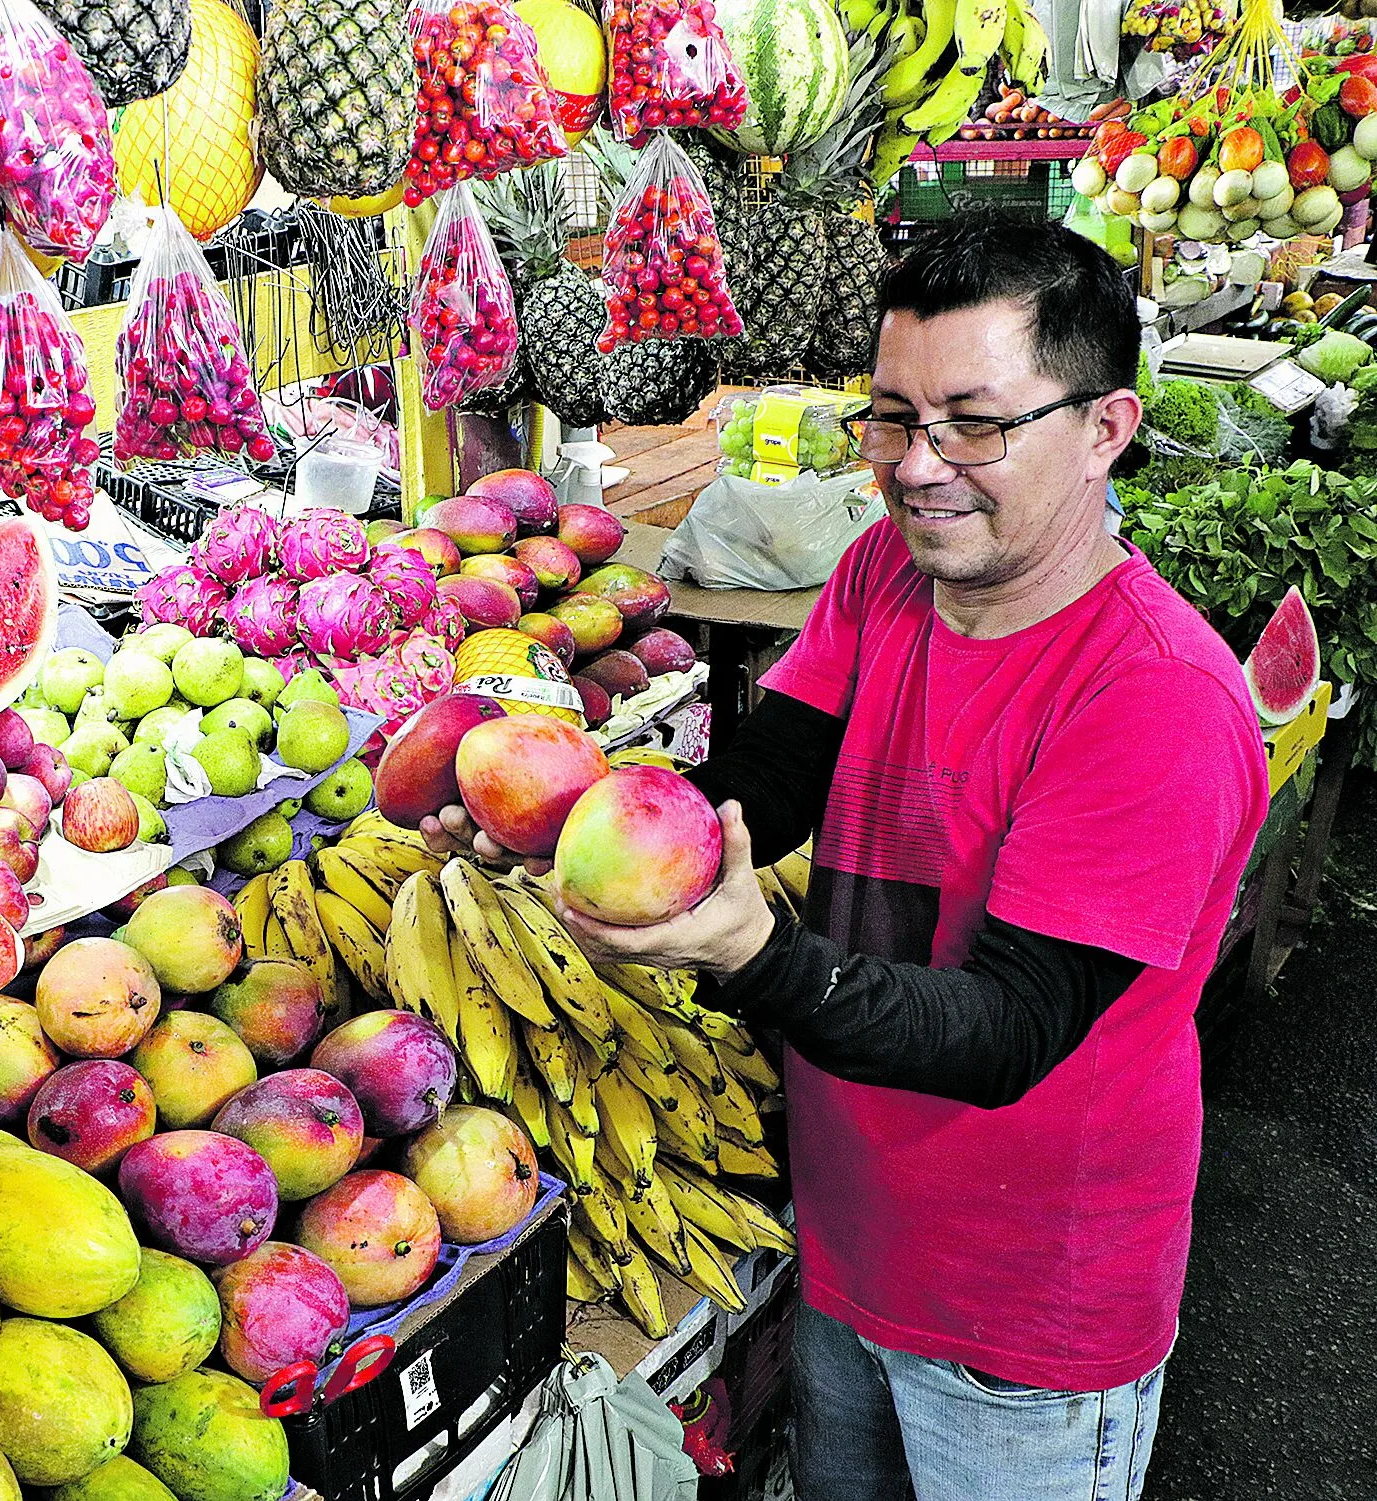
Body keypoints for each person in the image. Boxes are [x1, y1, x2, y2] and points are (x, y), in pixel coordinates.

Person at [425, 213, 1268, 1500]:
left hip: (1022, 1309)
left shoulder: (1151, 703)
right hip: (851, 1229)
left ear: (1104, 428)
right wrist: (556, 817)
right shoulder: (884, 570)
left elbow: (1006, 1029)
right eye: (889, 419)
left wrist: (753, 954)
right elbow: (767, 781)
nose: (918, 468)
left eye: (973, 424)